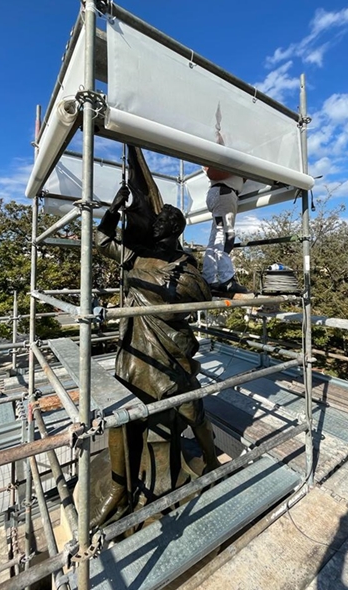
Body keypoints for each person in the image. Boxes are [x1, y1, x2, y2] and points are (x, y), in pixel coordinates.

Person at [93, 183, 219, 526]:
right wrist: (114, 208)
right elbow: (101, 239)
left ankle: (211, 460)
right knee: (124, 418)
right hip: (136, 352)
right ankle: (122, 488)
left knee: (193, 411)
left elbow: (197, 300)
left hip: (171, 352)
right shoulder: (137, 257)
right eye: (156, 220)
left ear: (175, 228)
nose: (155, 224)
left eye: (162, 221)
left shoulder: (188, 268)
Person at [202, 166, 250, 294]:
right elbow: (213, 173)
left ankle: (209, 279)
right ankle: (226, 280)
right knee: (225, 235)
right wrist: (235, 165)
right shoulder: (222, 152)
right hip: (224, 193)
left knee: (216, 236)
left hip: (220, 193)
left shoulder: (220, 153)